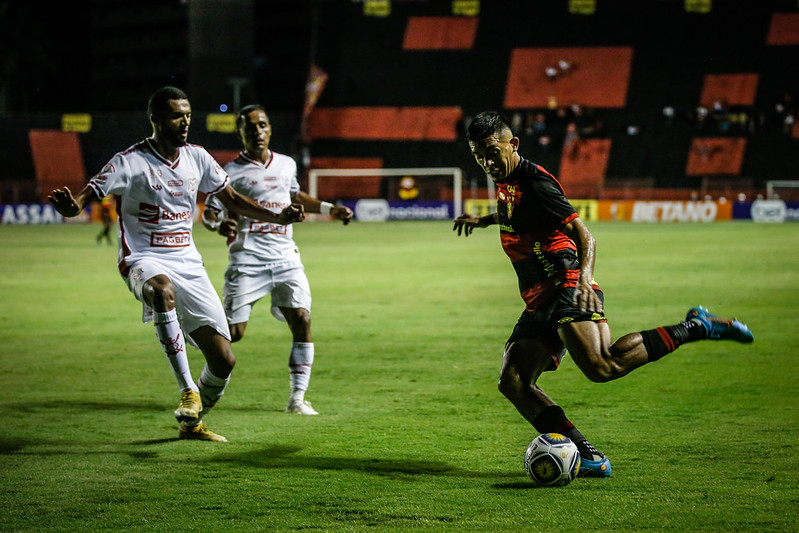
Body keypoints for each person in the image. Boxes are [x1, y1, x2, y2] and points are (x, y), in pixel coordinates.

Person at [453, 111, 753, 477]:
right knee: (514, 381)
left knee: (603, 366)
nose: (486, 162)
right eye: (478, 156)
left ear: (513, 144)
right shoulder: (508, 179)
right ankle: (586, 455)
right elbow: (516, 214)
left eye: (491, 152)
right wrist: (481, 220)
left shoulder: (536, 181)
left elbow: (586, 236)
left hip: (566, 283)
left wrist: (584, 280)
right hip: (538, 296)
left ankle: (696, 327)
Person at [48, 86, 305, 442]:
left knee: (224, 360)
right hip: (142, 259)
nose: (184, 122)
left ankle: (191, 425)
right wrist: (71, 207)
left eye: (187, 115)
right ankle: (188, 390)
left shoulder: (197, 158)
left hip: (189, 263)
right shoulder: (129, 161)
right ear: (155, 119)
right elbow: (84, 198)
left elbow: (231, 199)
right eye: (175, 115)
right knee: (161, 291)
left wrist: (279, 216)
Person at [202, 104, 353, 415]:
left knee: (302, 319)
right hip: (248, 259)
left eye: (262, 125)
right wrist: (219, 225)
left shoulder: (286, 164)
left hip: (286, 257)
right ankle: (191, 339)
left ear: (270, 129)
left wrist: (328, 209)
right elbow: (210, 214)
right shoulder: (229, 173)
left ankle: (297, 399)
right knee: (233, 334)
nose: (257, 131)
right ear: (240, 132)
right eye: (250, 127)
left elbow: (294, 196)